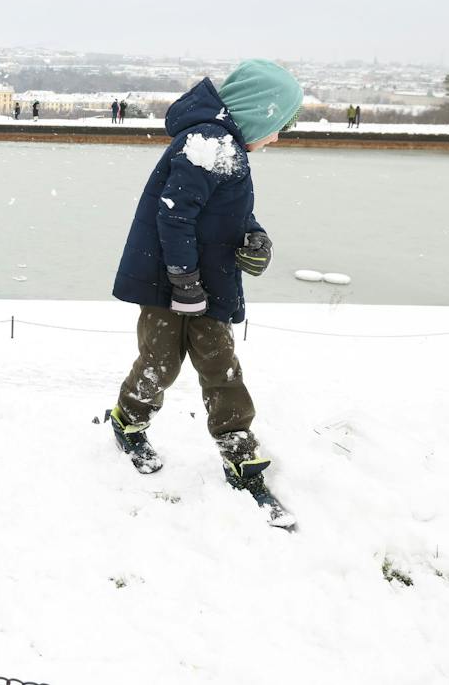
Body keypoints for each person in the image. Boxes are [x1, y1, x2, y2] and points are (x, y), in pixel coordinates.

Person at [104, 59, 303, 507]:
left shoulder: (225, 146)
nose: (276, 140)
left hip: (207, 284)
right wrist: (183, 280)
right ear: (258, 112)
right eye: (278, 128)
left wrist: (255, 236)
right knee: (160, 362)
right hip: (169, 284)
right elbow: (174, 215)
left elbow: (227, 211)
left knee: (221, 366)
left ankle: (238, 447)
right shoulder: (207, 144)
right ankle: (128, 421)